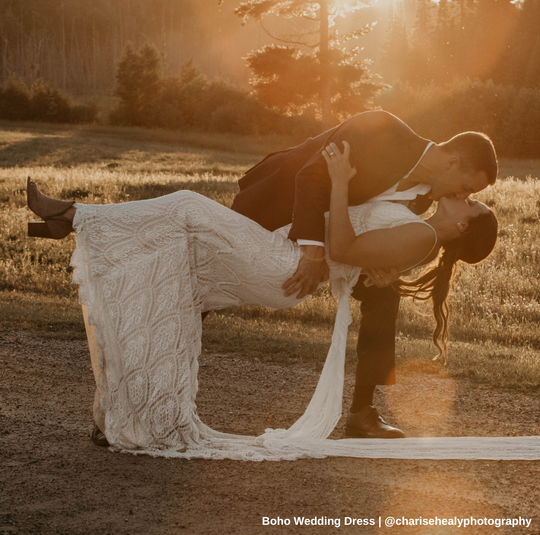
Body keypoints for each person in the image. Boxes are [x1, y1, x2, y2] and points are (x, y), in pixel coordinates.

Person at [25, 136, 497, 459]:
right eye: (472, 192)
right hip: (285, 251)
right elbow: (359, 243)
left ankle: (72, 216)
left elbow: (341, 248)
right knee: (171, 270)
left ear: (461, 227)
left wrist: (336, 182)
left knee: (188, 206)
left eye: (472, 202)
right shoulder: (414, 217)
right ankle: (121, 416)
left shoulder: (421, 235)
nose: (466, 196)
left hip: (284, 264)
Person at [231, 110, 498, 439]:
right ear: (452, 163)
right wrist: (313, 251)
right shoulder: (381, 130)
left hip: (334, 242)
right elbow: (310, 177)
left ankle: (362, 412)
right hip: (277, 202)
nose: (462, 196)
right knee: (212, 282)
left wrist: (386, 270)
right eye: (466, 188)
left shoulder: (422, 199)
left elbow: (376, 229)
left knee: (385, 294)